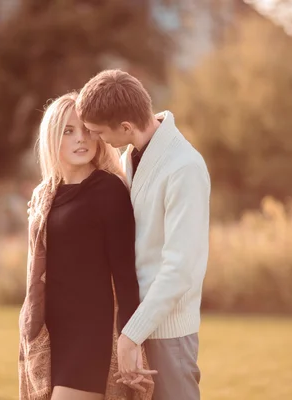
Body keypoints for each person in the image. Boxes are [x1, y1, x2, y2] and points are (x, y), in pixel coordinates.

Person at [76, 70, 211, 400]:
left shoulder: (184, 168)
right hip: (136, 322)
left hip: (167, 331)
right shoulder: (130, 158)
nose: (94, 140)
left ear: (125, 127)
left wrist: (131, 335)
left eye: (98, 132)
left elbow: (179, 270)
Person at [18, 92, 156, 400]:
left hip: (90, 334)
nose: (81, 139)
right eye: (68, 131)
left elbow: (125, 275)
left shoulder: (108, 191)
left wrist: (129, 340)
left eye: (85, 130)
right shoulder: (46, 195)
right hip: (51, 333)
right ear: (53, 136)